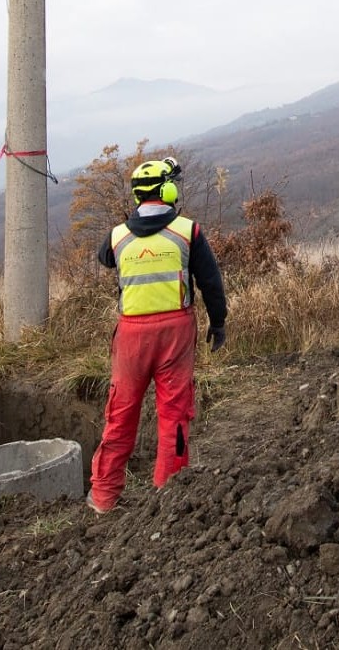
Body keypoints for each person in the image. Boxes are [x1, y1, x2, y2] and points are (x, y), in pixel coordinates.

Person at [87, 155, 227, 513]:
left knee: (120, 416)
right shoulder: (188, 231)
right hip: (175, 336)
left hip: (131, 339)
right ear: (167, 190)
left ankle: (103, 498)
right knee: (174, 415)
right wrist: (218, 321)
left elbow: (105, 257)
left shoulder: (116, 237)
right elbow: (210, 282)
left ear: (136, 196)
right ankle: (169, 494)